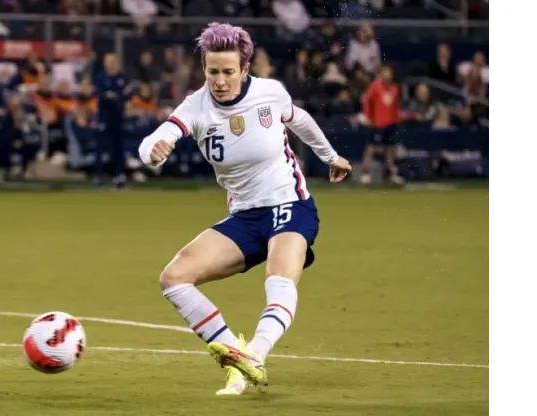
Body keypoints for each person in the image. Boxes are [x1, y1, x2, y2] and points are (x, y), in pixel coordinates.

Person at [137, 23, 352, 395]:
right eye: (212, 72)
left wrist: (330, 156)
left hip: (290, 204)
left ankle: (255, 353)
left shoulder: (270, 93)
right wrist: (152, 153)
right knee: (174, 278)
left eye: (228, 72)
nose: (220, 81)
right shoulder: (196, 106)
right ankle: (237, 356)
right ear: (203, 68)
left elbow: (299, 119)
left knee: (278, 278)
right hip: (245, 217)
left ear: (245, 69)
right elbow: (157, 138)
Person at [359, 64, 404, 185]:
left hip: (391, 123)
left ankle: (391, 173)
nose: (388, 75)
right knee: (371, 148)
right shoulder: (375, 86)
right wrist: (368, 117)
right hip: (377, 123)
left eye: (389, 72)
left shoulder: (395, 88)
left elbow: (396, 105)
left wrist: (397, 119)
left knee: (390, 149)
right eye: (385, 72)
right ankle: (365, 173)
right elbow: (367, 102)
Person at [94, 53, 130, 188]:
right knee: (101, 146)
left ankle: (118, 176)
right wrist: (112, 96)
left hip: (118, 117)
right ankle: (99, 176)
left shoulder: (122, 78)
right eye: (109, 61)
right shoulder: (100, 77)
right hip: (104, 116)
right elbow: (101, 95)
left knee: (118, 147)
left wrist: (114, 97)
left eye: (113, 61)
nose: (111, 63)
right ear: (105, 63)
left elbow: (125, 95)